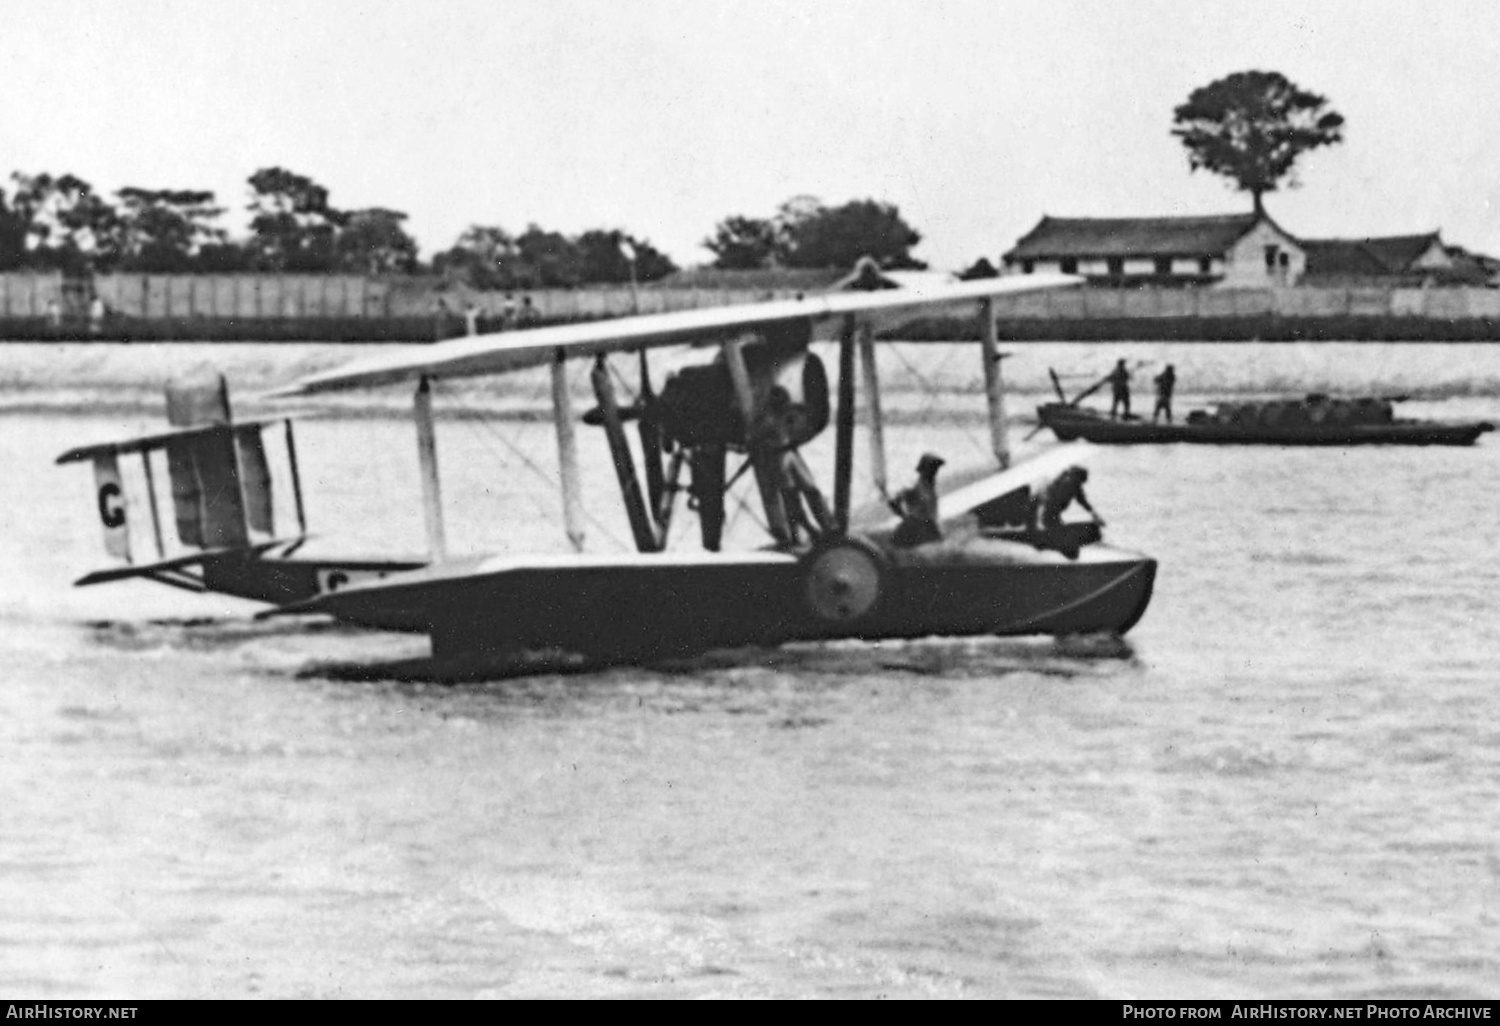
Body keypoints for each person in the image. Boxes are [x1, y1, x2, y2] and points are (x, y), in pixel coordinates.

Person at [889, 453, 944, 548]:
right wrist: (904, 516)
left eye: (935, 469)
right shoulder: (913, 485)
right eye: (932, 468)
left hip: (929, 526)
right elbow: (894, 502)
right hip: (916, 526)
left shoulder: (930, 486)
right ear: (923, 469)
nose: (934, 471)